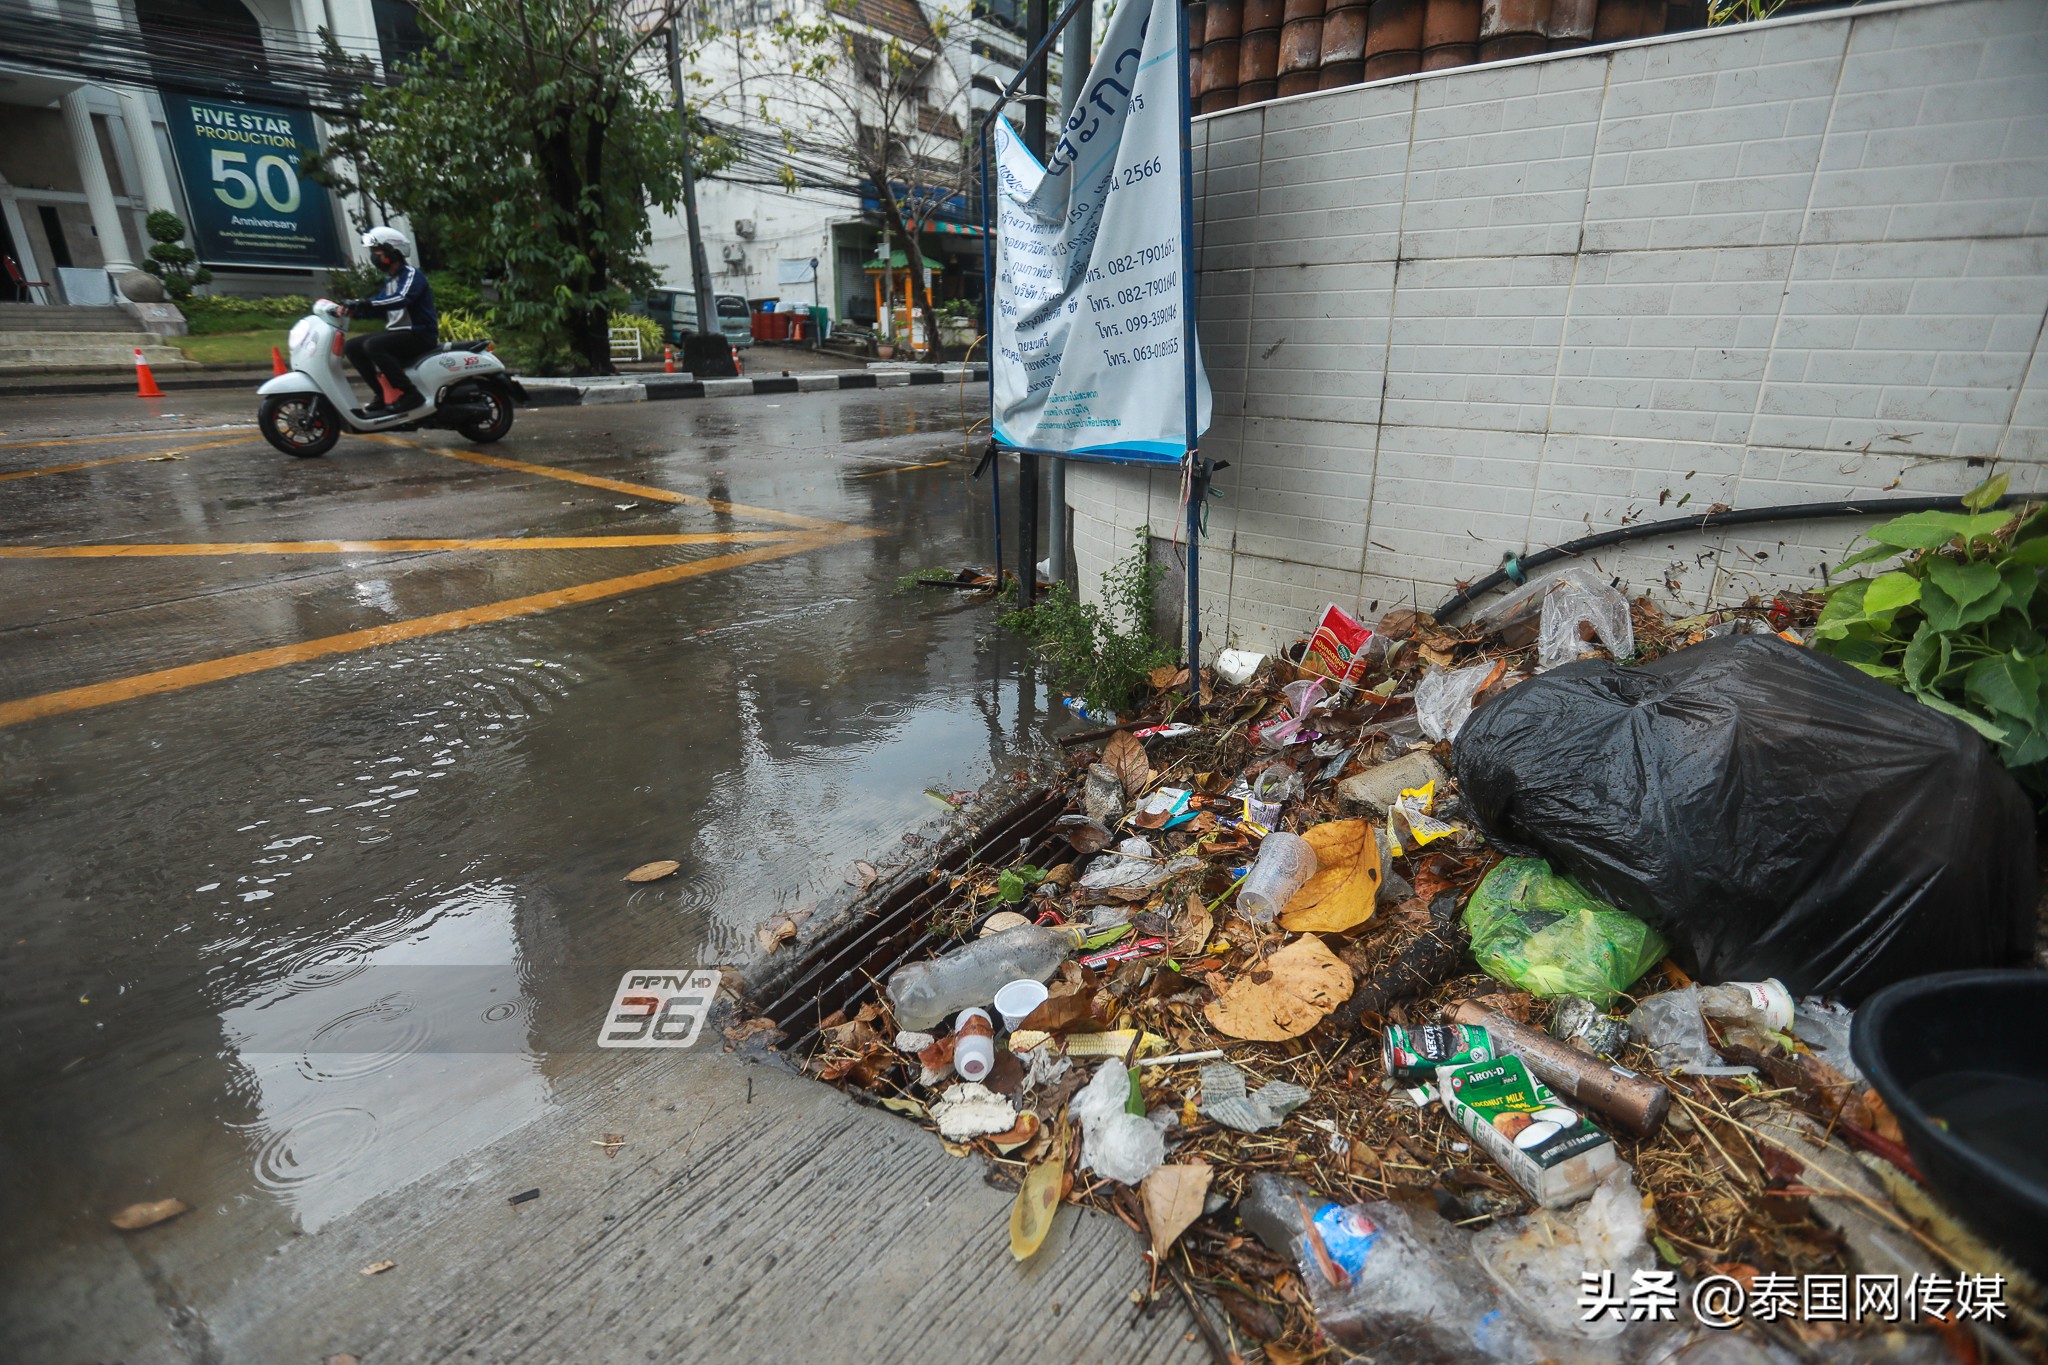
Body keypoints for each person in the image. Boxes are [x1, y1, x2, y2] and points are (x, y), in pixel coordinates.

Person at [341, 226, 438, 414]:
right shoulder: (390, 280)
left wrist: (365, 304)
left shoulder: (411, 275)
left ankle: (410, 394)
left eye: (377, 251)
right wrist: (355, 311)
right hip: (399, 334)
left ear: (393, 252)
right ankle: (381, 394)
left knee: (373, 345)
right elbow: (381, 305)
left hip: (419, 334)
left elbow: (401, 299)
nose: (374, 256)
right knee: (352, 346)